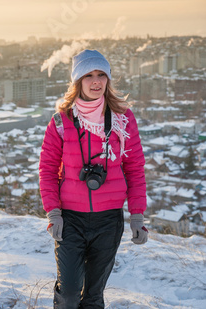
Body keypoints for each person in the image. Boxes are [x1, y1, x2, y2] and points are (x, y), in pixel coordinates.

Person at [38, 49, 148, 308]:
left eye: (101, 74)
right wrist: (53, 214)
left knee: (94, 297)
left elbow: (135, 169)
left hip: (108, 220)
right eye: (88, 75)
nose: (96, 81)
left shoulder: (123, 118)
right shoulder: (61, 122)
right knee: (69, 294)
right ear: (77, 81)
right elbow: (47, 170)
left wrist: (137, 215)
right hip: (70, 219)